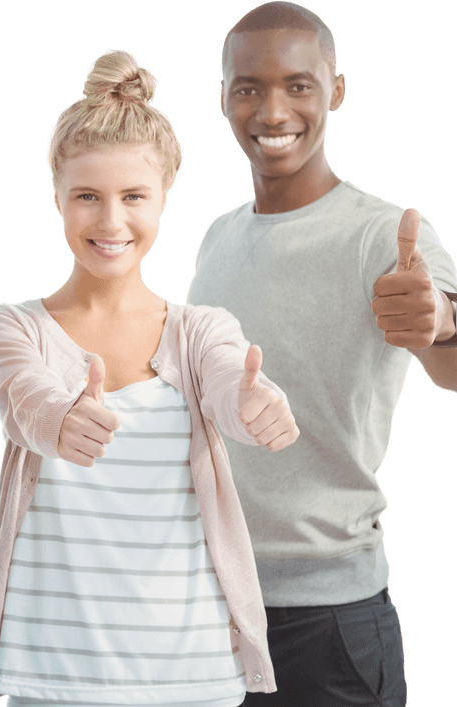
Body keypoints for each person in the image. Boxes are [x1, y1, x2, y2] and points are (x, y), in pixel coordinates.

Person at [0, 49, 299, 707]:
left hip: (193, 671)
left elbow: (228, 382)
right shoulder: (12, 328)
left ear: (164, 197)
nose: (110, 221)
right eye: (87, 197)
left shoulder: (200, 330)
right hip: (52, 675)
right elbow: (23, 398)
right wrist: (60, 422)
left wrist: (252, 401)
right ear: (58, 198)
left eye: (133, 197)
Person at [185, 3, 457, 705]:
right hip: (207, 608)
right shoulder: (216, 237)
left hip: (330, 623)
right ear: (223, 100)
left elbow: (451, 357)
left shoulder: (385, 233)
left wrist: (440, 325)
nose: (273, 109)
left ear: (336, 90)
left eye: (298, 85)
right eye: (249, 88)